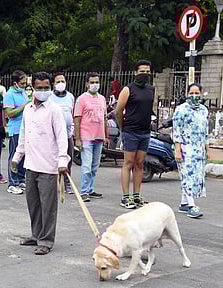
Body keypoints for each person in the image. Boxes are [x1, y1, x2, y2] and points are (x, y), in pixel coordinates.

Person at [11, 71, 70, 255]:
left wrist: (63, 161)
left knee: (48, 207)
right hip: (31, 165)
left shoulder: (54, 110)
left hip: (49, 167)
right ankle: (36, 235)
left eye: (46, 88)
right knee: (33, 204)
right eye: (39, 88)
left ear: (50, 87)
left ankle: (46, 240)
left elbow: (62, 137)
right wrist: (16, 157)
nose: (43, 91)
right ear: (33, 88)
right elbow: (24, 134)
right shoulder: (28, 109)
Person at [116, 60, 155, 209]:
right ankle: (126, 197)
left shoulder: (151, 89)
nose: (144, 74)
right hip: (130, 132)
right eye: (141, 71)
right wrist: (123, 127)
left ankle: (137, 196)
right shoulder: (128, 89)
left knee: (139, 164)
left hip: (145, 132)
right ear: (135, 72)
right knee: (128, 163)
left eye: (147, 71)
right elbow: (118, 111)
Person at [173, 83, 208, 219]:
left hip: (198, 149)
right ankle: (192, 205)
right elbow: (176, 131)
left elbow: (205, 131)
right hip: (185, 148)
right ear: (187, 94)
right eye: (191, 93)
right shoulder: (181, 110)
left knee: (196, 176)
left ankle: (184, 203)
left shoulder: (203, 110)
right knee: (187, 176)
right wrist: (177, 150)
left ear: (200, 94)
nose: (194, 96)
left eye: (196, 93)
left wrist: (207, 148)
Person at [74, 73, 108, 202]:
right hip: (86, 136)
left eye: (97, 82)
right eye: (92, 82)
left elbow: (104, 117)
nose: (95, 85)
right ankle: (83, 191)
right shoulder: (81, 99)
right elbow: (77, 119)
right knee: (86, 166)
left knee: (94, 166)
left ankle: (90, 189)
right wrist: (77, 138)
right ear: (87, 84)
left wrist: (106, 135)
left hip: (99, 136)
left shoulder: (102, 99)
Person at [49, 72, 76, 194]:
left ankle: (66, 182)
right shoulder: (50, 97)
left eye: (63, 81)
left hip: (68, 134)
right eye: (58, 81)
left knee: (68, 160)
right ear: (53, 84)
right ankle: (53, 183)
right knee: (53, 160)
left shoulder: (70, 97)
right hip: (53, 136)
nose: (61, 84)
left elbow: (72, 113)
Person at [4, 70, 29, 195]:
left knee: (24, 156)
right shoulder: (9, 94)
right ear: (15, 83)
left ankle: (20, 179)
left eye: (25, 83)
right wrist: (25, 105)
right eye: (22, 83)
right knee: (14, 155)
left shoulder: (23, 92)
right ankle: (12, 182)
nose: (25, 85)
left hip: (25, 128)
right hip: (15, 129)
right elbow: (10, 113)